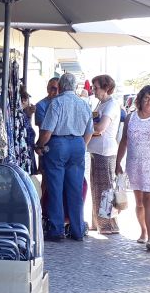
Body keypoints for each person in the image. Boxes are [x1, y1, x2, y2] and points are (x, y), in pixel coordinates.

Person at [38, 73, 94, 241]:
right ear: (75, 87)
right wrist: (80, 144)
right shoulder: (83, 104)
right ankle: (77, 230)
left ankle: (57, 230)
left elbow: (47, 131)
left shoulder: (56, 103)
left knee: (55, 188)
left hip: (58, 145)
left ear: (60, 87)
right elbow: (89, 131)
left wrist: (40, 145)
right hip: (78, 144)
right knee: (75, 189)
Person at [116, 86, 150, 251]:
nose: (149, 102)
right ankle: (143, 231)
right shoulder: (131, 118)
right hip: (134, 164)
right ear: (140, 99)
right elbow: (124, 140)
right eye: (146, 98)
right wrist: (118, 162)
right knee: (139, 202)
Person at [88, 74, 121, 234]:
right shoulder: (101, 104)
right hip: (97, 151)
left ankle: (107, 224)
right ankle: (98, 222)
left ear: (106, 88)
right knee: (96, 187)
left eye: (96, 88)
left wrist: (86, 132)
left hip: (105, 152)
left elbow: (100, 127)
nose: (93, 90)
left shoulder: (111, 105)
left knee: (105, 189)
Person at [20, 85, 37, 174]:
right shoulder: (19, 116)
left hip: (27, 155)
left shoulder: (23, 115)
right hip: (25, 155)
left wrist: (30, 114)